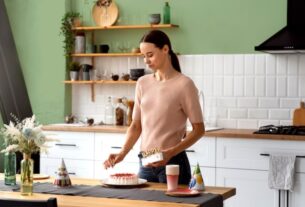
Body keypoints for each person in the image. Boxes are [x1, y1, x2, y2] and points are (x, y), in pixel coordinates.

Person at [104, 30, 205, 184]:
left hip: (173, 163)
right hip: (145, 162)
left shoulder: (184, 85)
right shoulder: (142, 83)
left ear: (165, 49)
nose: (146, 60)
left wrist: (169, 153)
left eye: (150, 55)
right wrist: (122, 153)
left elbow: (199, 130)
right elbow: (136, 125)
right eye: (143, 56)